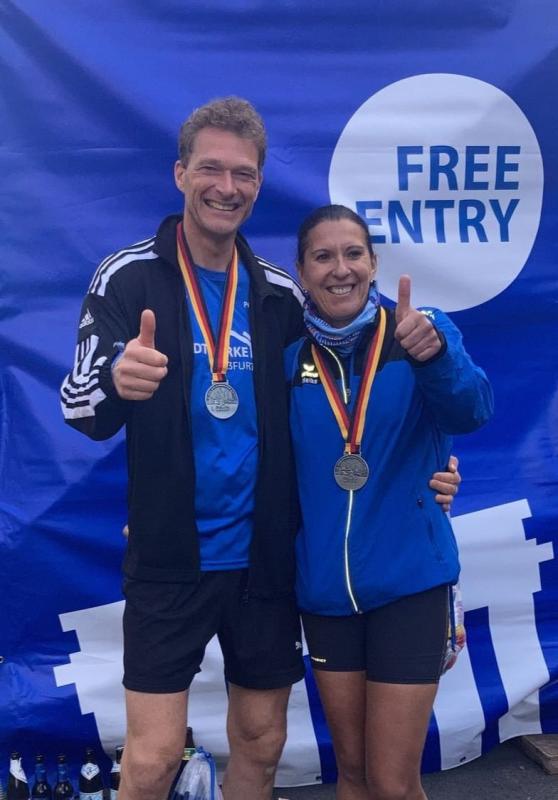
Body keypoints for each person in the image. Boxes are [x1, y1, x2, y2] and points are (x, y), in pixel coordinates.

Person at [60, 98, 460, 800]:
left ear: (259, 184)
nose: (226, 187)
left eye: (243, 174)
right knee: (151, 761)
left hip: (268, 560)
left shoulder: (279, 294)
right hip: (171, 560)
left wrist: (434, 470)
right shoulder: (127, 277)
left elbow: (348, 400)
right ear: (180, 174)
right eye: (210, 169)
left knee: (261, 743)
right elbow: (78, 406)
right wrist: (117, 384)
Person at [285, 204, 494, 800]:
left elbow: (472, 411)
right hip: (326, 594)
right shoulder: (289, 358)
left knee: (393, 781)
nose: (340, 269)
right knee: (351, 775)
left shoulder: (418, 333)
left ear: (374, 263)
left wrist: (436, 357)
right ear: (302, 272)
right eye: (323, 256)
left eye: (354, 253)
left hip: (410, 585)